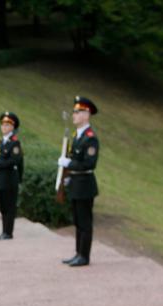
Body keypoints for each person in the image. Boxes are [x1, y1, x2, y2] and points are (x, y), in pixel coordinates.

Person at [58, 96, 99, 267]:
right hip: (76, 183)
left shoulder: (90, 138)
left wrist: (69, 164)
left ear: (86, 114)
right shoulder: (77, 136)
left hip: (85, 184)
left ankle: (84, 256)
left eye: (77, 112)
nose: (74, 115)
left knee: (85, 222)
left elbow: (89, 163)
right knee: (77, 221)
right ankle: (78, 253)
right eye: (74, 112)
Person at [0, 112, 24, 240]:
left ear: (12, 127)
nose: (4, 127)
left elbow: (14, 161)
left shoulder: (15, 143)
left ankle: (8, 232)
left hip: (10, 178)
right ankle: (4, 231)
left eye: (7, 124)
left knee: (9, 206)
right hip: (1, 178)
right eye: (3, 124)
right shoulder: (1, 142)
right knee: (2, 205)